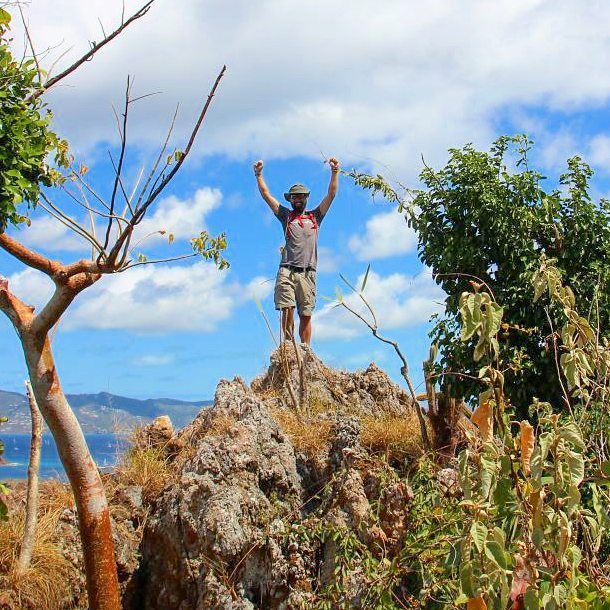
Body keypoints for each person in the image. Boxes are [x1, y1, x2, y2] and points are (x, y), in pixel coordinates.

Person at [253, 157, 340, 345]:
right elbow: (266, 195)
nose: (298, 199)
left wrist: (334, 172)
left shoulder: (315, 216)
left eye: (301, 196)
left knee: (306, 314)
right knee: (287, 308)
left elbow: (331, 194)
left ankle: (306, 350)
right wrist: (259, 174)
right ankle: (288, 347)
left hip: (308, 273)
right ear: (290, 199)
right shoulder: (286, 216)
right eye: (295, 196)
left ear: (306, 198)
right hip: (287, 270)